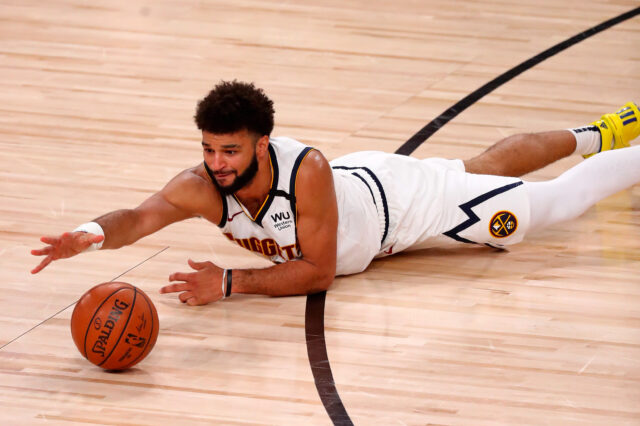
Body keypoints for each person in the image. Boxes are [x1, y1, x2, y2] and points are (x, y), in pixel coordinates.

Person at [31, 81, 640, 305]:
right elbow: (139, 218)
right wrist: (87, 235)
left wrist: (228, 283)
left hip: (401, 211)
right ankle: (599, 132)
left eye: (231, 151)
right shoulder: (200, 185)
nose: (216, 165)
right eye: (209, 149)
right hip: (367, 189)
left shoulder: (306, 172)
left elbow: (318, 273)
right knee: (476, 168)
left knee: (551, 205)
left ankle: (612, 143)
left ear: (262, 144)